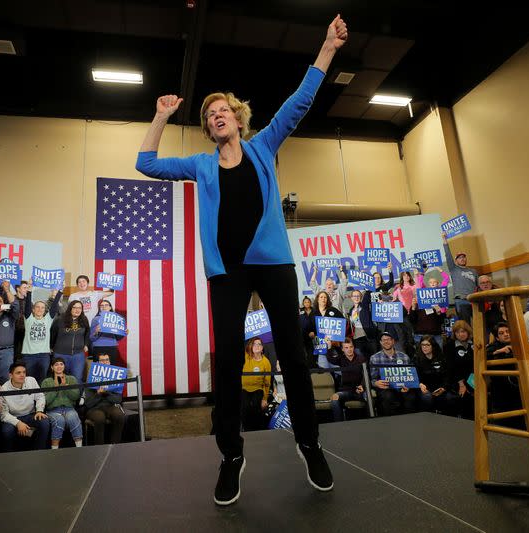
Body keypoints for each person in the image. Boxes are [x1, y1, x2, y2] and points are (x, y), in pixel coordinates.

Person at [136, 15, 347, 505]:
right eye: (208, 115)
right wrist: (162, 116)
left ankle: (309, 444)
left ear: (237, 116)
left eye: (221, 110)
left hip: (273, 265)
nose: (215, 117)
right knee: (228, 360)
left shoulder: (263, 146)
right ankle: (231, 455)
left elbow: (301, 101)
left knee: (293, 356)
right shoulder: (200, 165)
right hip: (227, 272)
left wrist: (328, 49)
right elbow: (144, 164)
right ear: (209, 129)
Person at [0, 361, 50, 451]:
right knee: (7, 431)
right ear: (10, 375)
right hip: (13, 417)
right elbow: (4, 414)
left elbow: (40, 396)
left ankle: (40, 451)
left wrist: (39, 411)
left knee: (44, 422)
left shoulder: (31, 380)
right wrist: (18, 423)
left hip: (30, 415)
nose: (22, 375)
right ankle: (9, 455)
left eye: (24, 372)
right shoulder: (3, 388)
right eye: (18, 373)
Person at [369, 331, 418, 416]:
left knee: (410, 397)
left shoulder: (404, 357)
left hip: (402, 387)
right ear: (380, 342)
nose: (386, 342)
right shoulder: (374, 358)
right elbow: (372, 379)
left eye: (388, 339)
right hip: (386, 388)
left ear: (393, 341)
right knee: (388, 397)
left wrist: (408, 385)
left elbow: (410, 376)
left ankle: (409, 423)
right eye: (383, 340)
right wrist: (376, 383)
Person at [83, 353, 126, 445]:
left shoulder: (115, 377)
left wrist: (107, 393)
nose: (105, 362)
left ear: (109, 362)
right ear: (98, 363)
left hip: (110, 406)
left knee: (120, 415)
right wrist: (98, 394)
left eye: (107, 360)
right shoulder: (91, 378)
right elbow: (88, 404)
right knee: (99, 418)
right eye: (102, 360)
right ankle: (100, 447)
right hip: (94, 408)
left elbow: (118, 400)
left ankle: (115, 445)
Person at [41, 357, 83, 449]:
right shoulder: (46, 382)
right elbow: (46, 402)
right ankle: (55, 451)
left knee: (73, 417)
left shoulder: (71, 379)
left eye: (61, 364)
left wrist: (65, 387)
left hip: (69, 409)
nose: (59, 366)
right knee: (59, 420)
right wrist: (56, 388)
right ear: (52, 367)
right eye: (56, 364)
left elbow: (76, 397)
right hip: (53, 410)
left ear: (64, 366)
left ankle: (80, 449)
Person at [413, 336, 457, 415]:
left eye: (427, 345)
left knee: (450, 398)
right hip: (424, 388)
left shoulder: (442, 358)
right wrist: (419, 384)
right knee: (427, 398)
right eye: (422, 345)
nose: (424, 347)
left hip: (440, 387)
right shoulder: (416, 359)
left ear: (433, 346)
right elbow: (414, 376)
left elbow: (448, 376)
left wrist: (443, 388)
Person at [327, 338, 367, 422]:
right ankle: (340, 425)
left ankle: (371, 421)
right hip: (346, 391)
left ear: (353, 347)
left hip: (360, 390)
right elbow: (331, 359)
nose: (349, 350)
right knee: (334, 399)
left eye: (351, 347)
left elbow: (366, 375)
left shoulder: (361, 358)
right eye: (346, 348)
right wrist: (329, 346)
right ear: (342, 349)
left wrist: (363, 386)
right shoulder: (341, 358)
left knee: (368, 397)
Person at [50, 299, 90, 382]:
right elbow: (53, 333)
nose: (77, 310)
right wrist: (51, 347)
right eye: (74, 307)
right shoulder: (60, 319)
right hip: (60, 354)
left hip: (78, 355)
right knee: (61, 379)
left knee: (77, 378)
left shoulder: (84, 319)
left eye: (79, 308)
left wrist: (86, 344)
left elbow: (87, 332)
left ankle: (76, 395)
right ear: (70, 308)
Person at [442, 233, 478, 324]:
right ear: (456, 261)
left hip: (474, 301)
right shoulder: (454, 269)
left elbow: (478, 286)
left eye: (463, 257)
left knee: (479, 324)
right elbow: (448, 255)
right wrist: (444, 240)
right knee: (465, 325)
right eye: (459, 258)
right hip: (461, 301)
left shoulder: (474, 271)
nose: (462, 259)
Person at [443, 320, 474, 419]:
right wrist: (461, 384)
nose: (461, 334)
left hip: (473, 379)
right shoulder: (449, 345)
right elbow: (451, 367)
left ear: (468, 332)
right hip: (456, 380)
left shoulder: (474, 344)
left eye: (463, 331)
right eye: (457, 332)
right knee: (464, 397)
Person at [240, 337, 272, 432]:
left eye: (259, 344)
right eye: (254, 344)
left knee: (255, 407)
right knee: (245, 408)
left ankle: (256, 432)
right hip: (244, 389)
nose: (257, 346)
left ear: (262, 348)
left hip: (258, 390)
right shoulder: (245, 357)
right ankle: (246, 431)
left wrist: (265, 399)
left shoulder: (266, 362)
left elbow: (267, 383)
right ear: (250, 346)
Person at [21, 300, 54, 381]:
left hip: (44, 356)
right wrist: (29, 292)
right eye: (37, 307)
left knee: (42, 380)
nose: (40, 309)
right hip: (29, 356)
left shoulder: (48, 319)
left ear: (45, 310)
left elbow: (54, 307)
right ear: (33, 309)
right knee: (28, 380)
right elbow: (27, 307)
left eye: (42, 307)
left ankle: (40, 394)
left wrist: (59, 293)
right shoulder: (29, 318)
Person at [89, 299, 126, 366]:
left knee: (111, 369)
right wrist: (96, 332)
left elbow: (118, 338)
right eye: (101, 306)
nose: (104, 307)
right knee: (99, 370)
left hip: (112, 347)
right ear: (99, 308)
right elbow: (91, 338)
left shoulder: (116, 319)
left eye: (106, 305)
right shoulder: (95, 319)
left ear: (110, 307)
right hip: (98, 347)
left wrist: (123, 333)